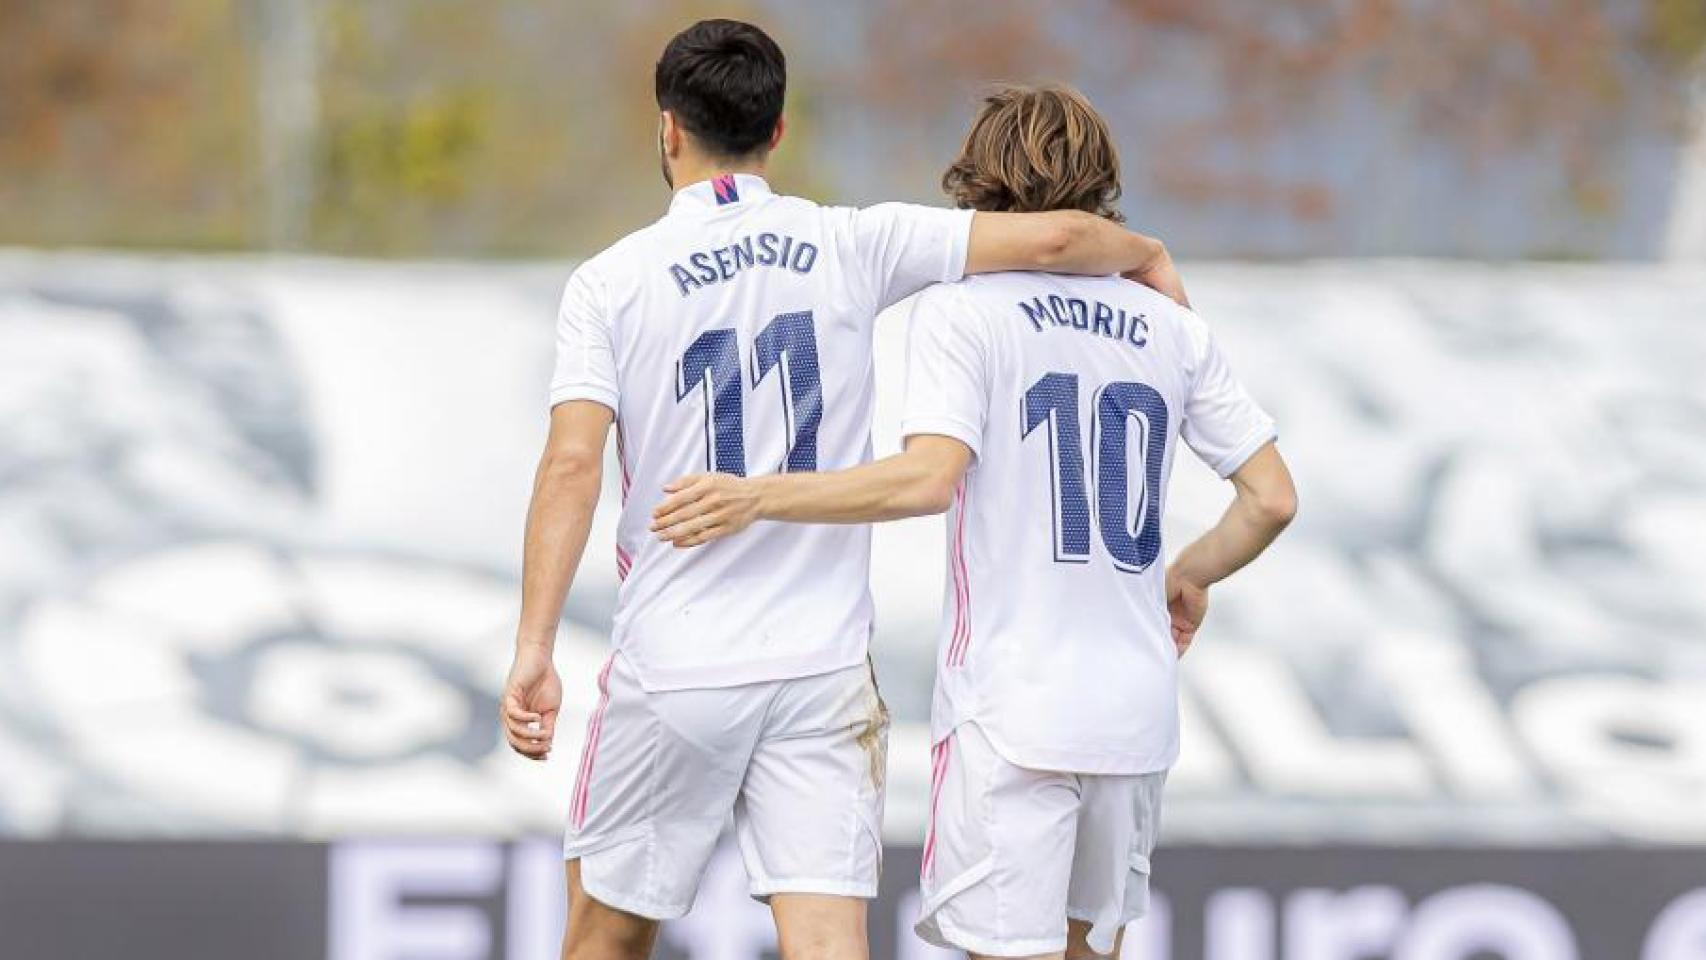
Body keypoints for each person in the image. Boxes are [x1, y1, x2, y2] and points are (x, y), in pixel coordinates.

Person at [500, 20, 1192, 960]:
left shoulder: (610, 282)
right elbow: (1068, 235)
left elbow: (574, 465)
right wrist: (1145, 251)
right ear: (779, 130)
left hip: (678, 661)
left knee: (607, 937)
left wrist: (536, 644)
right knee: (827, 945)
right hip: (820, 668)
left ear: (667, 130)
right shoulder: (853, 241)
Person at [651, 84, 1297, 959]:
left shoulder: (964, 309)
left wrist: (758, 494)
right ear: (1101, 184)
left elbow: (927, 480)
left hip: (1012, 707)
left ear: (981, 181)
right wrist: (1189, 574)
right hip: (1137, 710)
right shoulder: (1168, 323)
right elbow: (1270, 498)